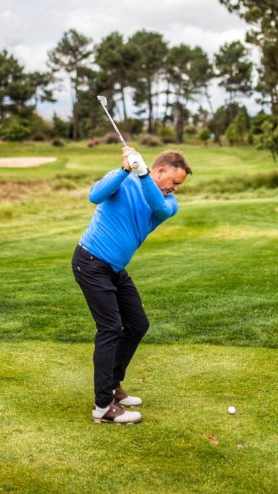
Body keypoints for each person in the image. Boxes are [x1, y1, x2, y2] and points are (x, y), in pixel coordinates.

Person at [72, 146, 192, 425]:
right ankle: (102, 406)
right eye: (174, 182)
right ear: (160, 170)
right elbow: (94, 195)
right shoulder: (124, 179)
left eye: (180, 185)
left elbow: (157, 205)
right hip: (90, 261)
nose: (175, 189)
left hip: (113, 269)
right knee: (110, 328)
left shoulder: (168, 203)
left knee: (137, 324)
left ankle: (113, 386)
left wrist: (142, 174)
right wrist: (126, 169)